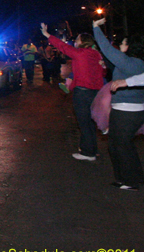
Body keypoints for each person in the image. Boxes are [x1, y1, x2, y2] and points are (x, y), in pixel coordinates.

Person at [41, 23, 105, 161]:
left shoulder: (80, 53)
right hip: (95, 92)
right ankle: (92, 149)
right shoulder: (96, 54)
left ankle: (88, 153)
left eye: (77, 39)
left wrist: (47, 34)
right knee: (89, 122)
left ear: (82, 42)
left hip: (83, 92)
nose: (75, 41)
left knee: (84, 123)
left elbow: (62, 46)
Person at [93, 18, 144, 190]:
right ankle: (126, 177)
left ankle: (132, 181)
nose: (120, 45)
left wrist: (96, 28)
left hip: (128, 111)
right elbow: (112, 62)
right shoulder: (131, 63)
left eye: (123, 43)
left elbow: (107, 49)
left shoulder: (133, 63)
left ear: (130, 46)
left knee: (122, 145)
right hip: (123, 110)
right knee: (117, 145)